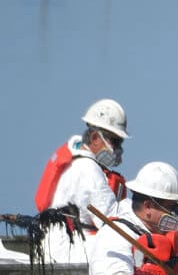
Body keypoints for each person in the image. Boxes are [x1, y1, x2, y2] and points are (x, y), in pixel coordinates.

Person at [34, 98, 131, 263]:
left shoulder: (73, 160)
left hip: (52, 246)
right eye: (114, 142)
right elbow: (111, 223)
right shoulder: (89, 171)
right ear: (94, 138)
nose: (117, 150)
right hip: (71, 250)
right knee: (127, 249)